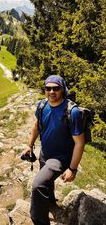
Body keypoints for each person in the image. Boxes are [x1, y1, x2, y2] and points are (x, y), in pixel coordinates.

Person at [23, 75, 85, 225]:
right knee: (47, 183)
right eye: (48, 88)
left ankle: (39, 221)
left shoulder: (73, 111)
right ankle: (50, 202)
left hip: (61, 157)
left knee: (38, 184)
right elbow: (36, 126)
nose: (51, 91)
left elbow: (79, 143)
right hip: (45, 153)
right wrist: (29, 145)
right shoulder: (42, 105)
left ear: (62, 89)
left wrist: (72, 168)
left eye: (56, 88)